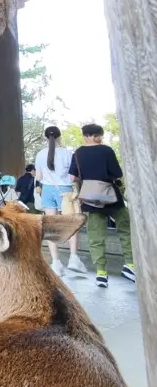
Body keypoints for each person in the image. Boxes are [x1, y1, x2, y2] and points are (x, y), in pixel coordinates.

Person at [69, 123, 135, 288]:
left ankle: (101, 273)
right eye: (100, 136)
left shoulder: (77, 153)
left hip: (91, 199)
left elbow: (73, 177)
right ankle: (130, 265)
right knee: (126, 229)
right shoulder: (106, 150)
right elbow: (117, 173)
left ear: (84, 135)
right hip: (111, 196)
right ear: (96, 136)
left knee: (96, 236)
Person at [34, 126, 87, 276]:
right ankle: (73, 258)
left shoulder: (40, 154)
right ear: (59, 137)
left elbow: (38, 177)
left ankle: (56, 263)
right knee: (70, 224)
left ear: (46, 137)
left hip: (48, 190)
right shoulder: (67, 153)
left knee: (51, 227)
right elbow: (73, 177)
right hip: (66, 191)